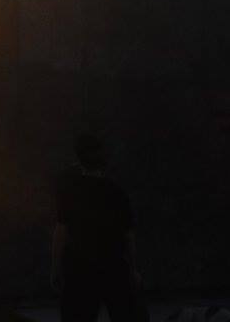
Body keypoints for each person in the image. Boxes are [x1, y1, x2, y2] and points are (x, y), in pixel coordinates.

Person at [51, 134, 146, 322]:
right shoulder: (116, 193)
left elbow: (61, 231)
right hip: (113, 266)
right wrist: (133, 269)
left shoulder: (70, 192)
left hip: (79, 269)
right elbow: (128, 235)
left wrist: (55, 267)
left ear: (79, 159)